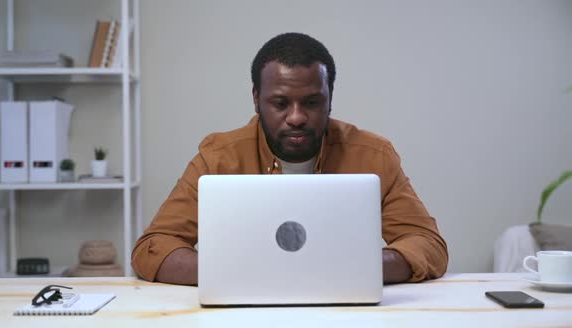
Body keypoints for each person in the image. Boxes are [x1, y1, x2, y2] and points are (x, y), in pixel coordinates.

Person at [132, 32, 448, 285]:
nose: (296, 117)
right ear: (256, 99)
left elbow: (427, 244)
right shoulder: (218, 157)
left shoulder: (374, 155)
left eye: (311, 102)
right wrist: (247, 271)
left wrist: (359, 267)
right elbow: (153, 247)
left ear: (330, 98)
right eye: (280, 103)